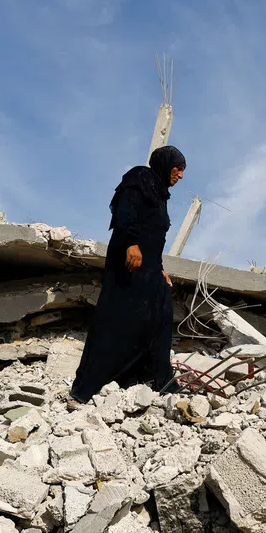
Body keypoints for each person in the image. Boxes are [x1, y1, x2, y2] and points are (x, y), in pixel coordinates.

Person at [69, 146, 186, 404]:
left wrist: (160, 268)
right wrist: (131, 243)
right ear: (166, 164)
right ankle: (86, 390)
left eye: (182, 171)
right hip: (128, 261)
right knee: (116, 321)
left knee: (160, 312)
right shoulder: (140, 177)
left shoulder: (161, 196)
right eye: (178, 169)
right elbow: (125, 212)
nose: (180, 175)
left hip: (150, 267)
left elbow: (155, 236)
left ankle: (158, 380)